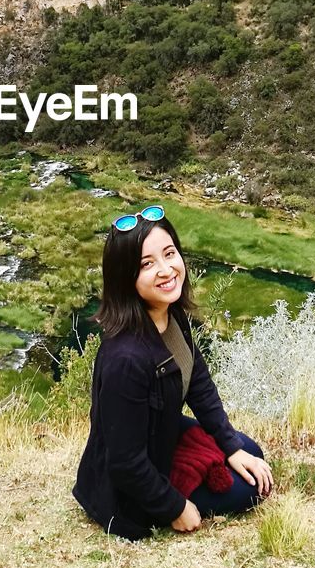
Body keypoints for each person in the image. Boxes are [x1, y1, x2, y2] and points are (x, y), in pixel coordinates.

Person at [72, 205, 274, 541]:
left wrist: (230, 445)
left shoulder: (172, 315)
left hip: (159, 432)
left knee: (250, 454)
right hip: (126, 490)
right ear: (126, 278)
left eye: (169, 254)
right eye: (147, 264)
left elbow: (197, 382)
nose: (166, 270)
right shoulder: (126, 358)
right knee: (247, 491)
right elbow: (124, 462)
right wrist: (174, 507)